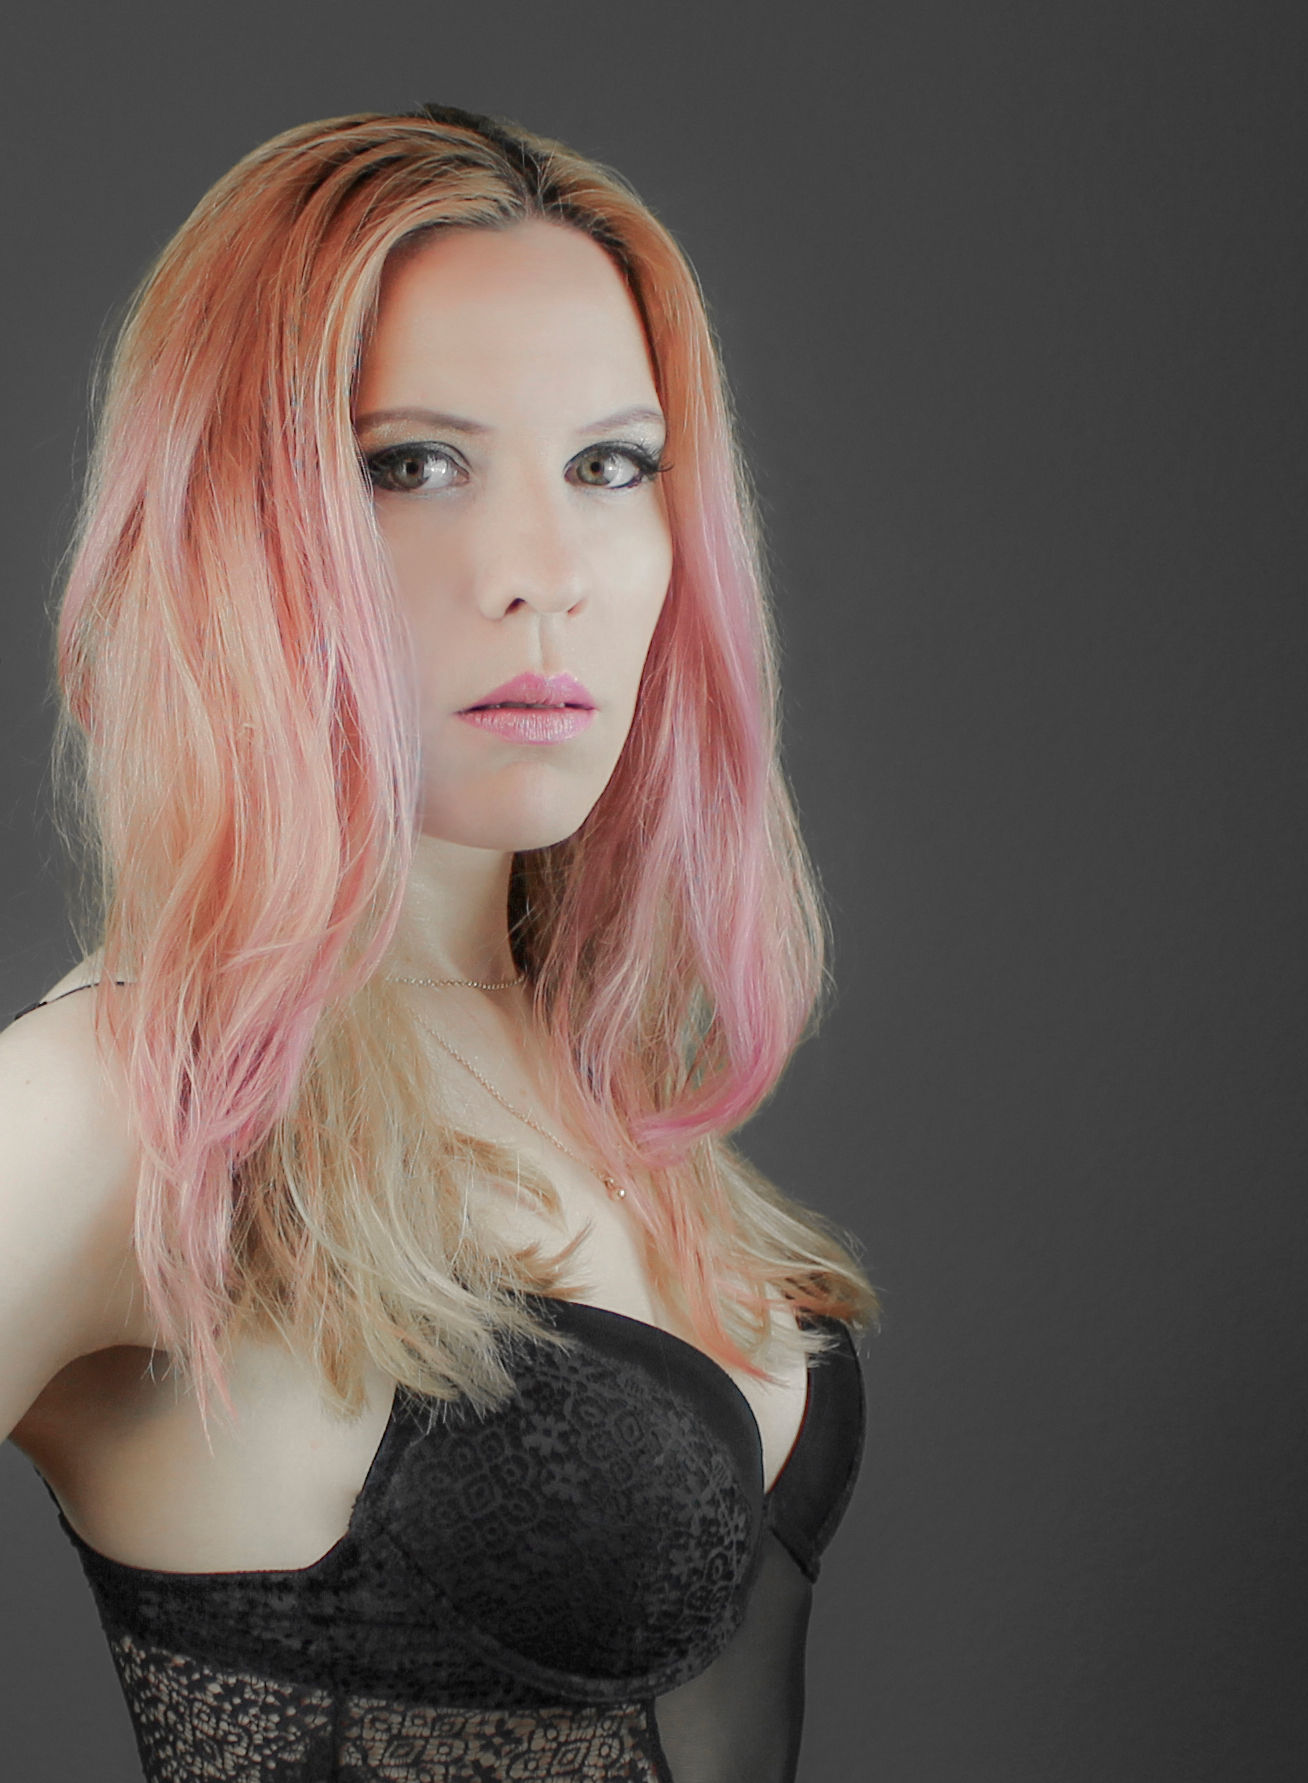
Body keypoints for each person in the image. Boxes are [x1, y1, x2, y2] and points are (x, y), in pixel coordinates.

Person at [0, 105, 876, 1782]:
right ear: (228, 525)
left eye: (609, 466)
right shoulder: (124, 1108)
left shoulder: (581, 1063)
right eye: (412, 464)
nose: (542, 574)